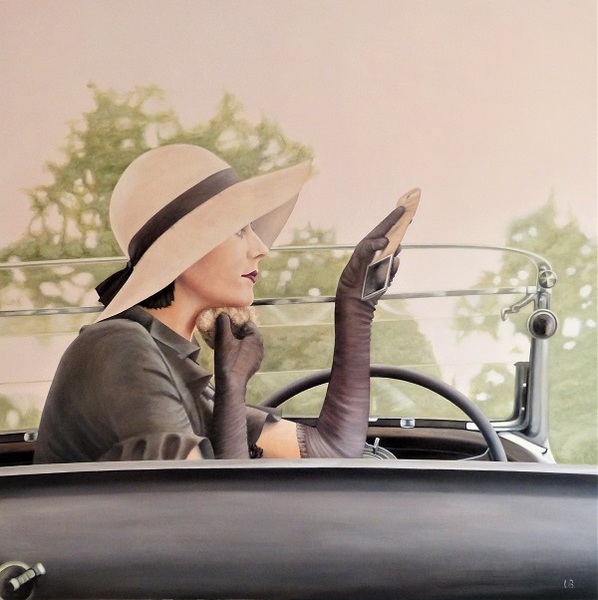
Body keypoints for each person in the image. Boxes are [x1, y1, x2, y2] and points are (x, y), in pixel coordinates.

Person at [33, 144, 404, 462]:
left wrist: (355, 306)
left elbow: (331, 452)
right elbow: (213, 506)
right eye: (238, 229)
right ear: (183, 250)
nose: (260, 249)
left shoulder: (172, 364)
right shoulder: (120, 351)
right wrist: (231, 392)